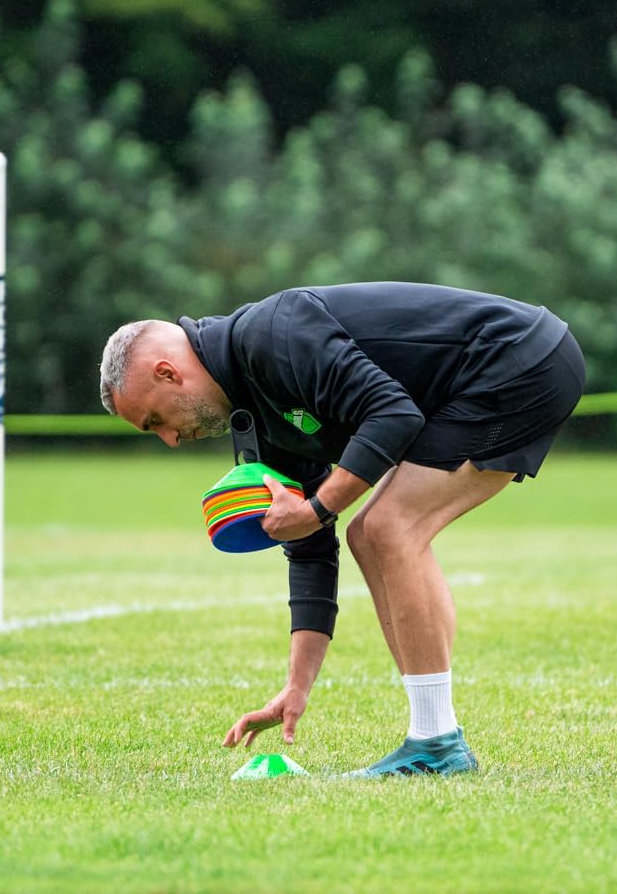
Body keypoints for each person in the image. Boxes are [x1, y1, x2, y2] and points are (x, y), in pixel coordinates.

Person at [99, 282, 585, 776]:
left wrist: (315, 509)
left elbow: (392, 415)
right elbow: (309, 548)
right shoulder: (258, 412)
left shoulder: (271, 337)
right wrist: (297, 685)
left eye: (156, 420)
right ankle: (436, 739)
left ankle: (437, 743)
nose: (171, 439)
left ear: (168, 372)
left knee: (388, 528)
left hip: (519, 359)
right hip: (497, 371)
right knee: (371, 533)